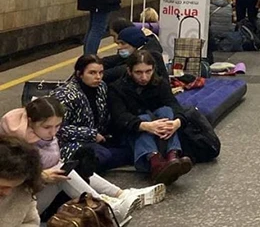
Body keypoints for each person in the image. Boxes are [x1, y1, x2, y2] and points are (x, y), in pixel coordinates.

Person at [0, 97, 154, 223]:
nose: (53, 132)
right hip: (17, 202)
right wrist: (41, 175)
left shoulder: (41, 136)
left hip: (30, 202)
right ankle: (105, 207)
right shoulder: (16, 144)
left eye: (57, 126)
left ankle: (119, 195)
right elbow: (16, 177)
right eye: (47, 127)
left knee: (66, 169)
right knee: (64, 173)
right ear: (30, 121)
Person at [108, 50, 193, 185]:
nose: (144, 77)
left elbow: (174, 104)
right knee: (143, 117)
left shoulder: (159, 83)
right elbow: (120, 117)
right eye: (139, 72)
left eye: (148, 71)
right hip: (132, 132)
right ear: (129, 71)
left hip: (160, 129)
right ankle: (154, 160)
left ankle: (172, 154)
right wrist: (146, 126)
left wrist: (177, 122)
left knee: (166, 111)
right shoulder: (116, 88)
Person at [52, 55, 128, 171]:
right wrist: (91, 134)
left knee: (129, 148)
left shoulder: (101, 87)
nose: (98, 77)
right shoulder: (65, 95)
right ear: (79, 74)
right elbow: (58, 129)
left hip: (99, 138)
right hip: (71, 142)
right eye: (92, 73)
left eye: (101, 73)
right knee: (102, 155)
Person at [0, 135, 42, 227]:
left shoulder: (24, 189)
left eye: (15, 186)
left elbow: (31, 222)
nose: (8, 193)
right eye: (2, 187)